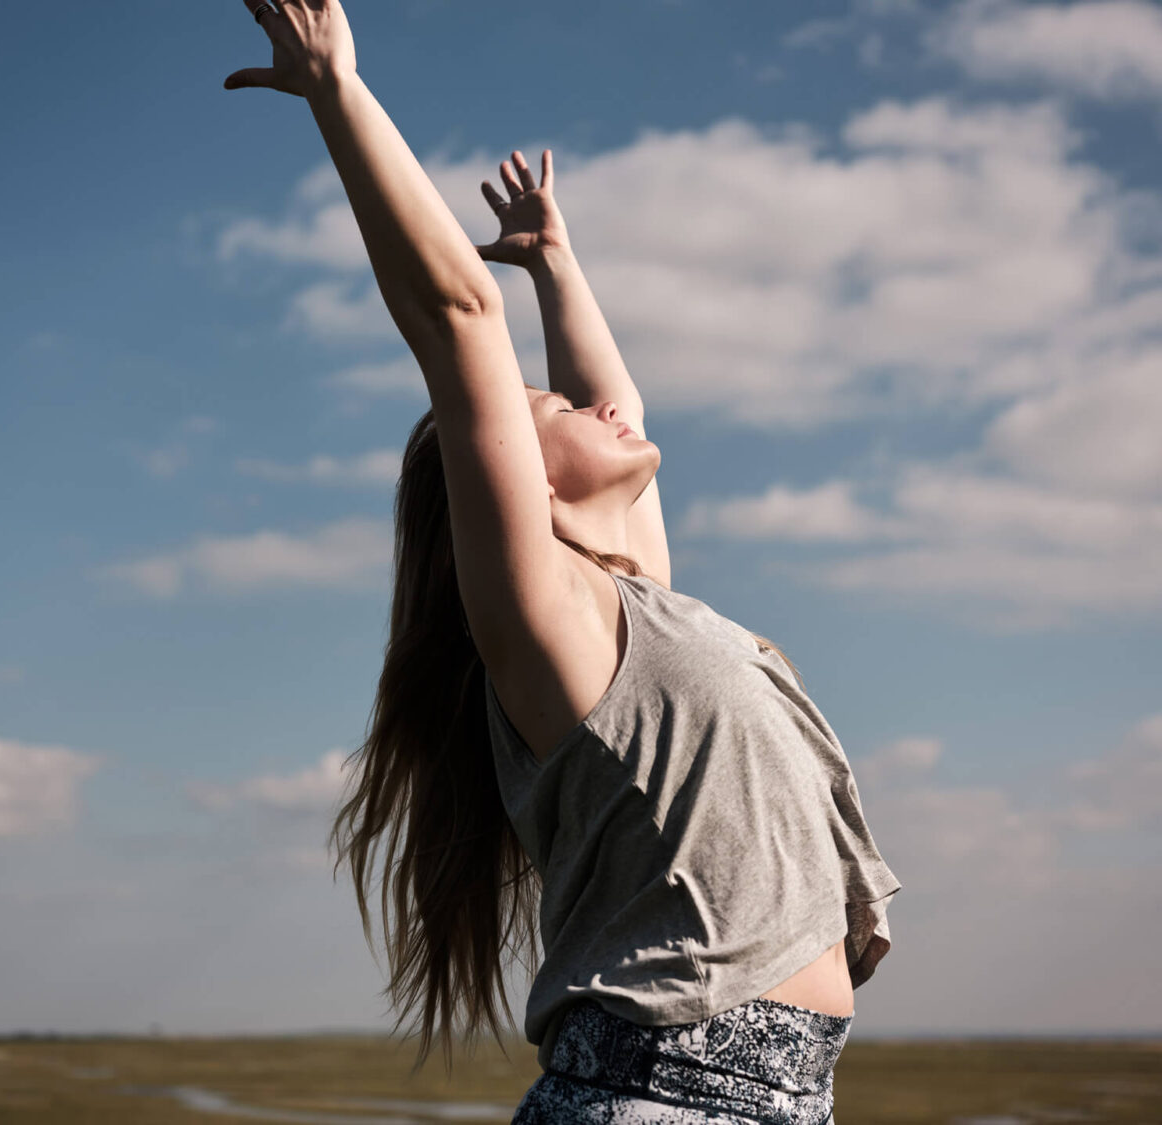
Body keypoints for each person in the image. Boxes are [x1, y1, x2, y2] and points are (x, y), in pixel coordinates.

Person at [222, 3, 902, 1121]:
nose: (597, 405)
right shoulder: (551, 624)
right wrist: (339, 90)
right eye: (550, 407)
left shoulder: (637, 604)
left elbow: (618, 405)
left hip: (776, 1103)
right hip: (660, 1100)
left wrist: (557, 267)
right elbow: (454, 317)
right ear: (524, 490)